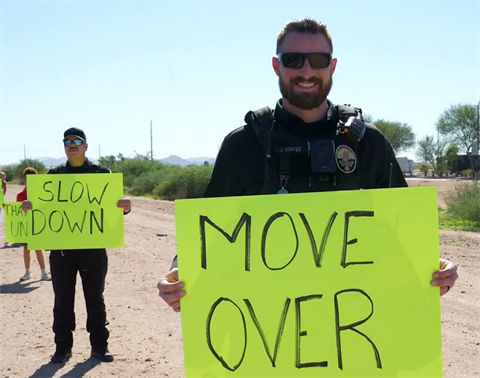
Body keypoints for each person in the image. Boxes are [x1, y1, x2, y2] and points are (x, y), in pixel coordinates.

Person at [157, 17, 459, 313]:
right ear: (277, 66)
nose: (306, 70)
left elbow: (407, 232)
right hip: (266, 331)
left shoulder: (368, 143)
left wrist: (436, 268)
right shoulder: (244, 145)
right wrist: (178, 272)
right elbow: (208, 236)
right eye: (293, 59)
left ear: (333, 66)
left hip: (358, 328)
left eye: (318, 59)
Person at [21, 127, 132, 364]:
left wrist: (125, 206)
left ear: (86, 145)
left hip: (93, 249)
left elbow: (113, 211)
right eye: (68, 141)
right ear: (64, 146)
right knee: (62, 299)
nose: (72, 144)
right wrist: (30, 207)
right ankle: (62, 348)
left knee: (95, 298)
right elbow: (41, 208)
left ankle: (100, 347)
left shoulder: (102, 174)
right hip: (61, 251)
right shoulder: (53, 177)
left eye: (77, 140)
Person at [16, 167, 51, 282]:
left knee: (38, 248)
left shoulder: (40, 194)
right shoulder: (20, 196)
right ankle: (27, 271)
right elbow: (17, 212)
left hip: (37, 226)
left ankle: (43, 272)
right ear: (24, 181)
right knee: (26, 248)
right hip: (26, 226)